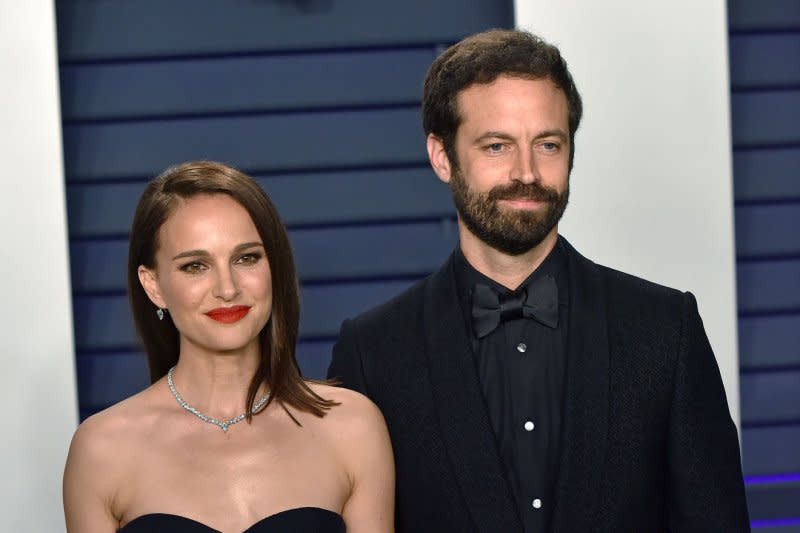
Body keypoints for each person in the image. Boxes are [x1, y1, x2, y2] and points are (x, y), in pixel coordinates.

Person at [328, 29, 750, 532]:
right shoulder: (373, 353)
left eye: (547, 144)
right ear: (442, 156)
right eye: (496, 146)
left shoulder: (665, 330)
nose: (526, 172)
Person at [63, 161, 394, 533]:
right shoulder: (102, 450)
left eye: (246, 258)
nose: (227, 287)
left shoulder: (352, 428)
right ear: (153, 284)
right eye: (195, 266)